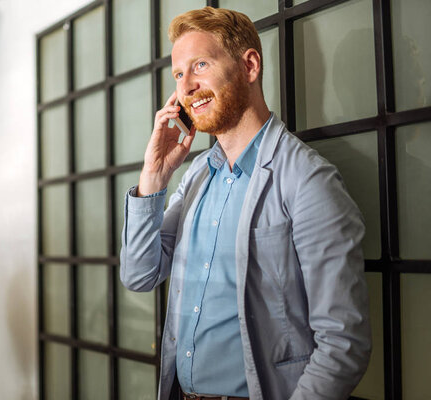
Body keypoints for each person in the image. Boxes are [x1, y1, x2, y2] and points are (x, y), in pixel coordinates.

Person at [119, 6, 371, 400]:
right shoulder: (196, 177)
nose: (186, 87)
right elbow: (139, 274)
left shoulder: (309, 180)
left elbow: (344, 344)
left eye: (200, 65)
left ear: (249, 65)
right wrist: (153, 178)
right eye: (179, 74)